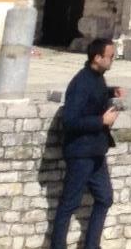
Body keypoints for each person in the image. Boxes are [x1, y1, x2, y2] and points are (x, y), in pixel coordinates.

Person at [50, 38, 121, 249]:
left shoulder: (97, 78)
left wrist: (111, 92)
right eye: (110, 57)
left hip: (96, 151)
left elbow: (95, 96)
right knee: (69, 204)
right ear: (97, 58)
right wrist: (101, 121)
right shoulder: (80, 83)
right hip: (81, 152)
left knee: (105, 198)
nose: (112, 61)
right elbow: (70, 120)